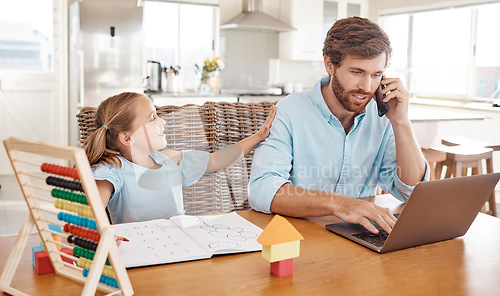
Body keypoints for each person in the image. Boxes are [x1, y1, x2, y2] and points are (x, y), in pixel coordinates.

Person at [248, 17, 429, 235]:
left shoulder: (382, 115)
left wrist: (401, 123)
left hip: (359, 238)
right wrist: (341, 204)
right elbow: (262, 190)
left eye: (376, 75)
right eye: (357, 72)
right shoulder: (290, 111)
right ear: (330, 65)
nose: (366, 87)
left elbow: (412, 193)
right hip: (297, 239)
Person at [84, 92, 275, 224]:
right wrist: (104, 235)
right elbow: (93, 211)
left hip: (176, 246)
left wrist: (258, 136)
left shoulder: (169, 161)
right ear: (127, 138)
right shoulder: (112, 169)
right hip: (137, 251)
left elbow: (216, 161)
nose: (162, 121)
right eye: (152, 118)